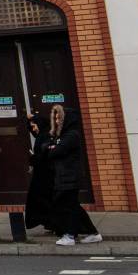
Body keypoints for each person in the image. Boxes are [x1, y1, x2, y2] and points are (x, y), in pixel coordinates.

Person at [39, 105, 101, 246]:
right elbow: (45, 147)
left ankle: (70, 235)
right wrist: (50, 147)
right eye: (54, 118)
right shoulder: (59, 136)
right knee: (72, 206)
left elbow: (54, 152)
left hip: (70, 176)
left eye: (59, 118)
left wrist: (52, 148)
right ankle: (92, 233)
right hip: (62, 176)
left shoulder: (72, 135)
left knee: (69, 206)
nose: (56, 121)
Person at [24, 110, 55, 235]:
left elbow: (43, 156)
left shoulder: (45, 137)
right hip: (42, 175)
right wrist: (29, 120)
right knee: (44, 201)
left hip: (45, 175)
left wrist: (33, 158)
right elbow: (32, 130)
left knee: (45, 200)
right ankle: (50, 223)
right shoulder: (42, 135)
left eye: (34, 125)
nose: (33, 129)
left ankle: (53, 223)